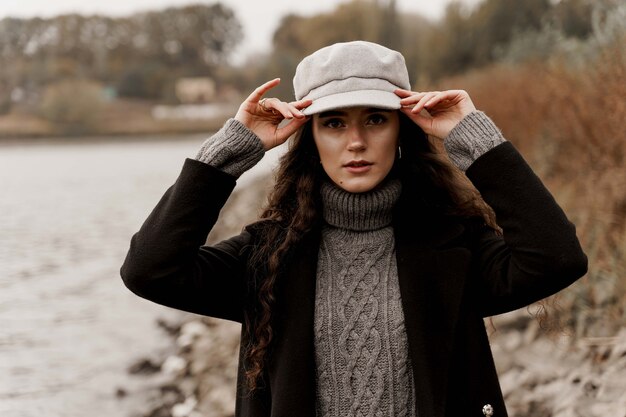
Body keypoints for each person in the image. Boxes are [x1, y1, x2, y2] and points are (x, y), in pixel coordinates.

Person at [121, 41, 587, 417]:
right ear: (311, 136)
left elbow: (555, 258)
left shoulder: (452, 245)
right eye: (335, 123)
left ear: (401, 131)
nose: (356, 142)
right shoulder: (269, 256)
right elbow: (150, 270)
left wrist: (475, 139)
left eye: (377, 119)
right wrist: (230, 153)